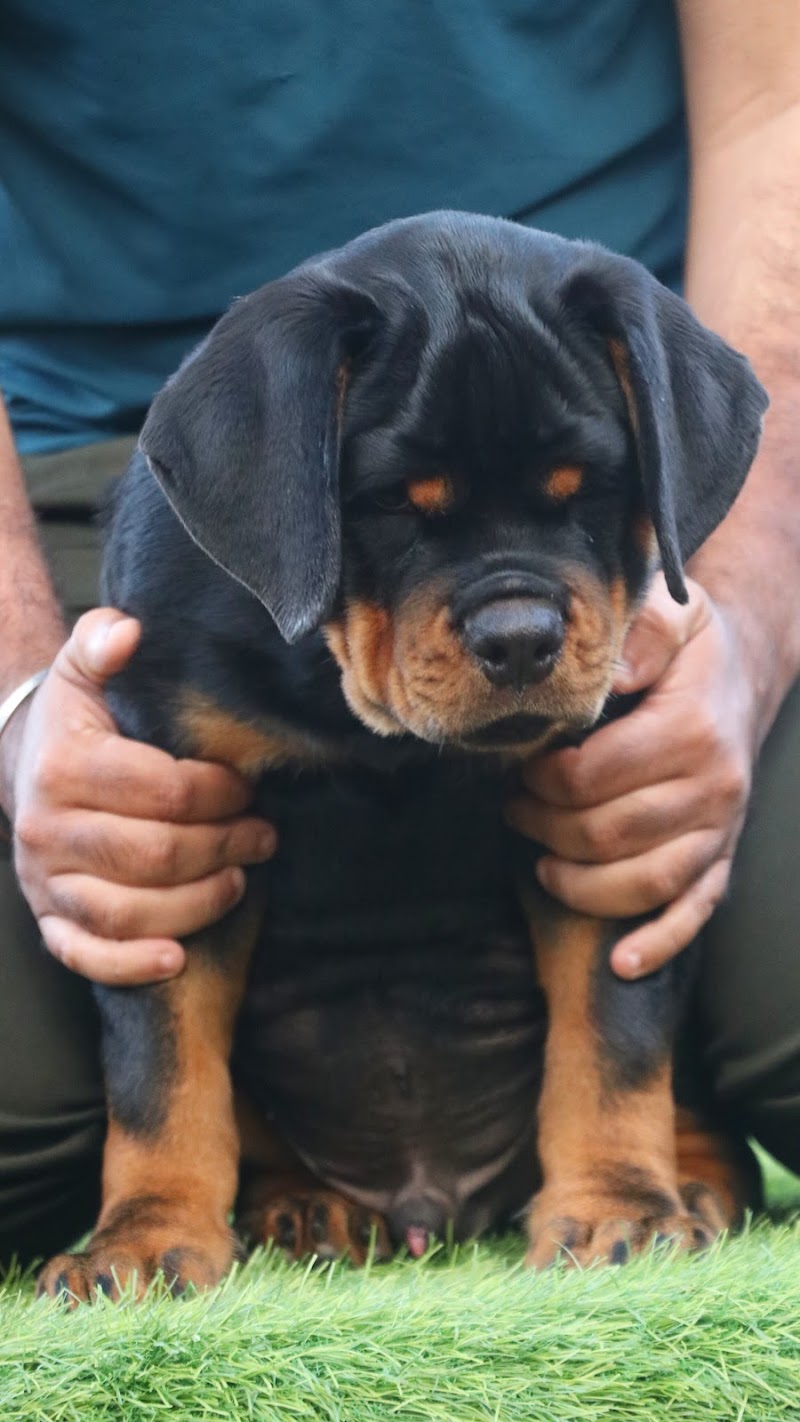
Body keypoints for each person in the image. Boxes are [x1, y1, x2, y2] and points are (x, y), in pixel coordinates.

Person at [1, 0, 799, 1267]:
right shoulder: (218, 556)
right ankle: (214, 1176)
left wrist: (740, 621)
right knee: (19, 1114)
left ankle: (642, 1143)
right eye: (399, 513)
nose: (515, 624)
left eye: (573, 505)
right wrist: (17, 702)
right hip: (100, 455)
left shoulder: (631, 400)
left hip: (634, 376)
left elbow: (779, 103)